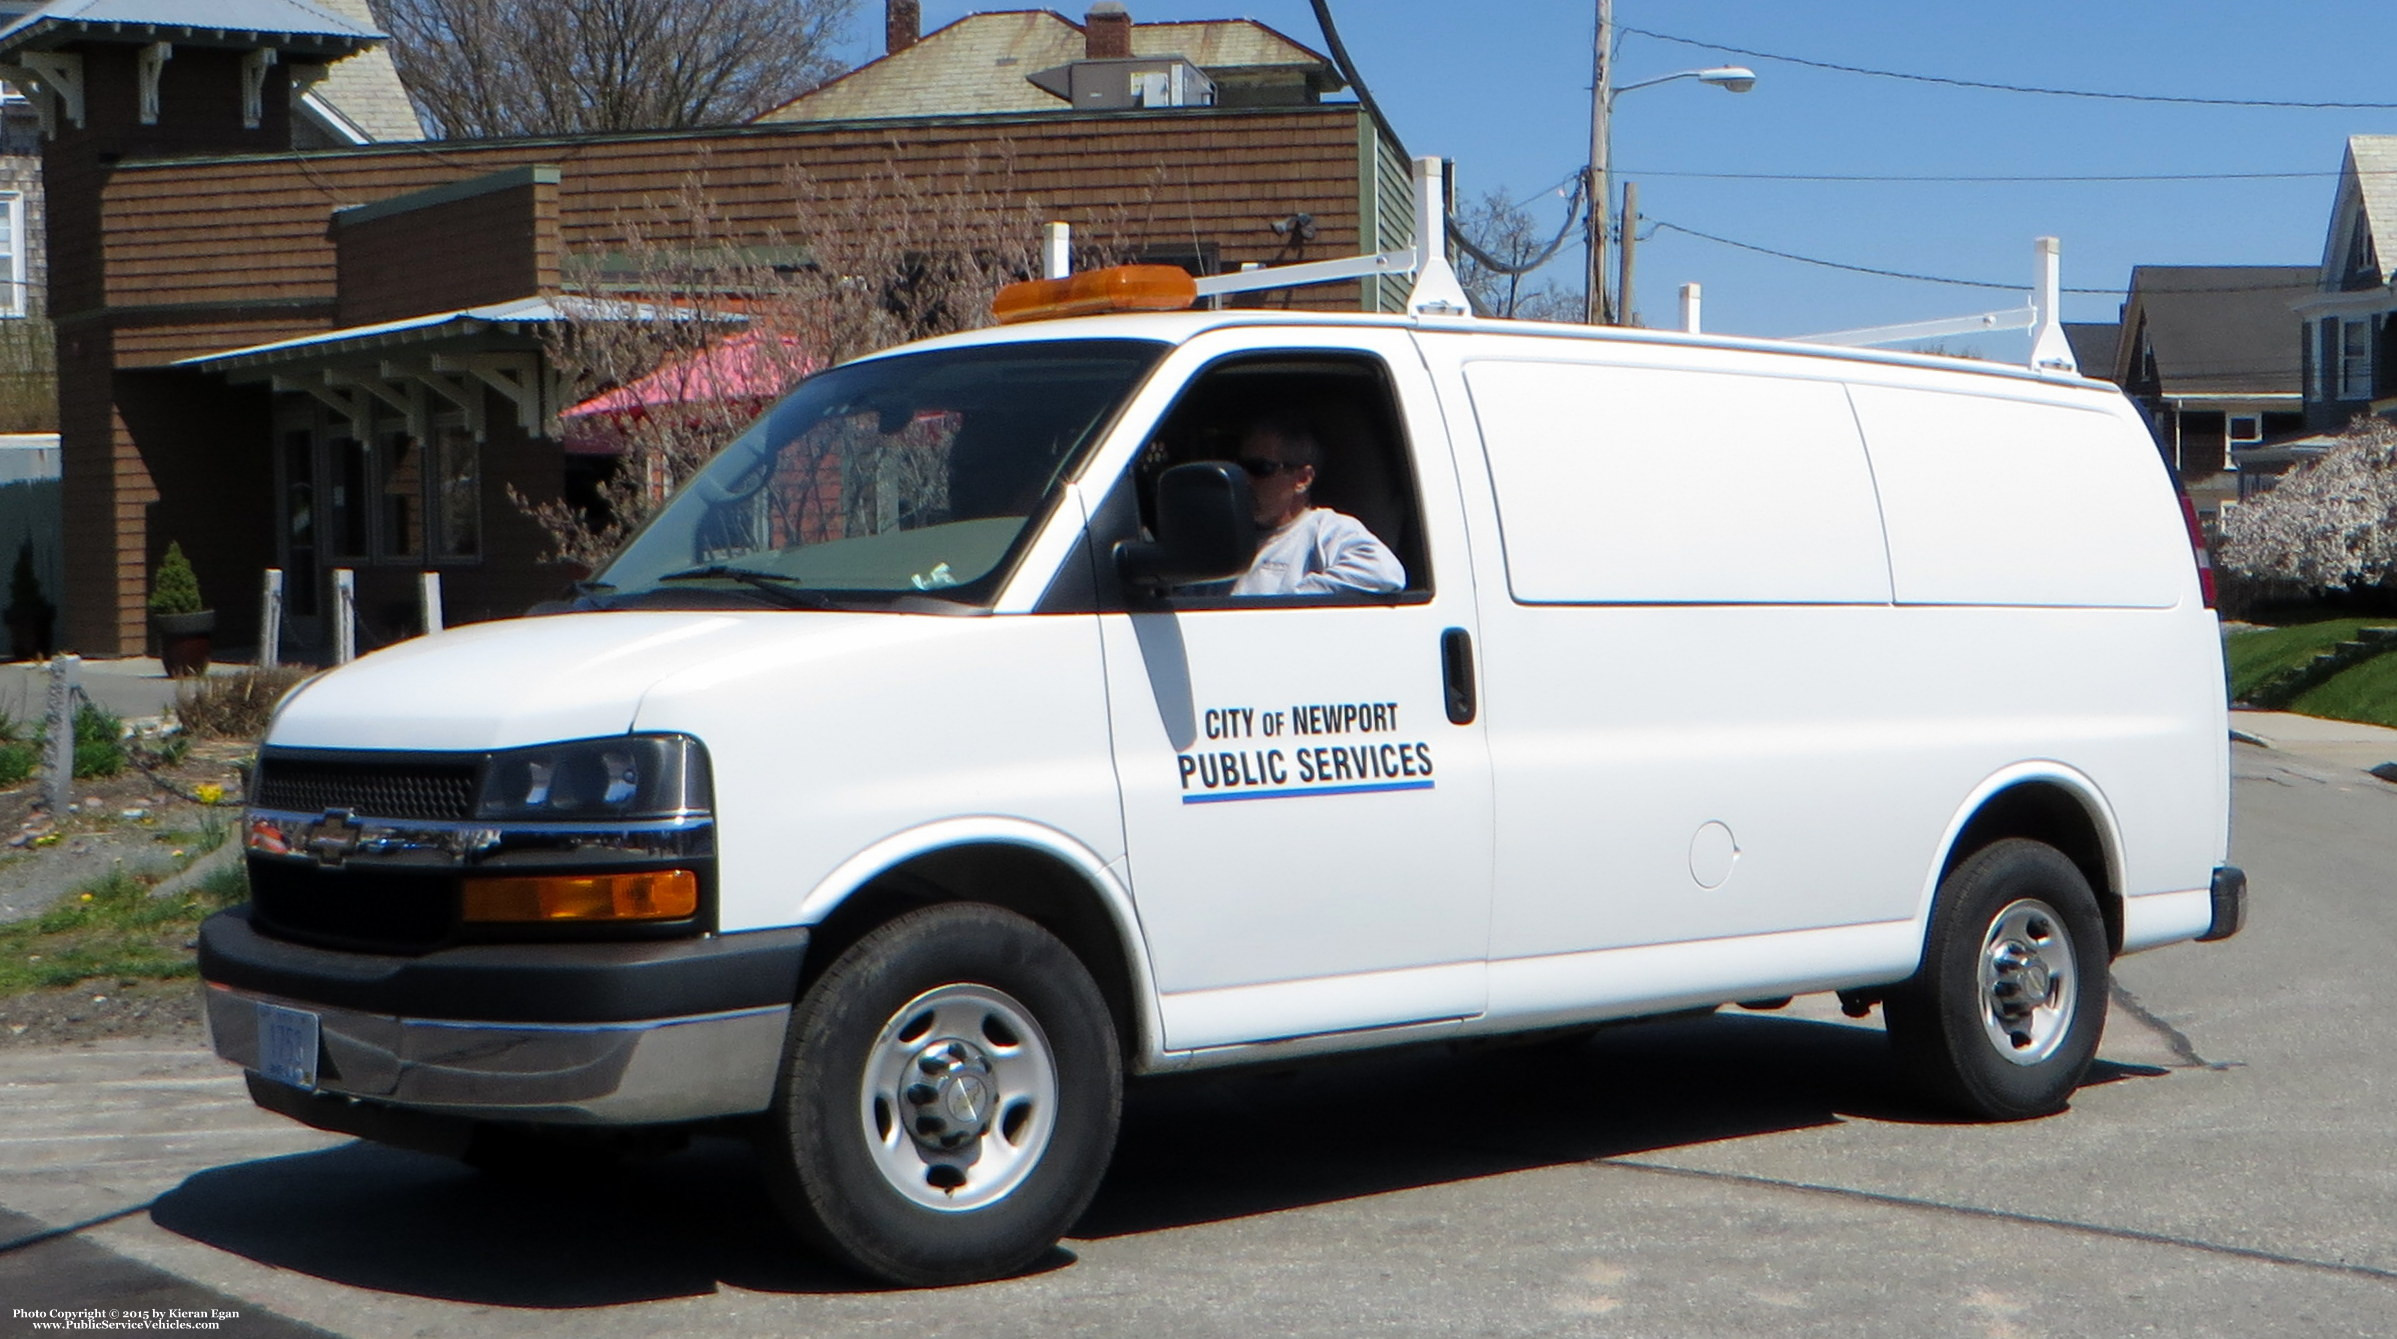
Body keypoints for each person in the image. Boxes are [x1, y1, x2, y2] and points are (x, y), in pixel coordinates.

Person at [1227, 416, 1405, 596]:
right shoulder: (1227, 536)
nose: (1245, 480)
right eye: (1240, 467)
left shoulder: (1327, 530)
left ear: (1302, 479)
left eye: (1260, 468)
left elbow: (1384, 573)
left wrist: (1295, 602)